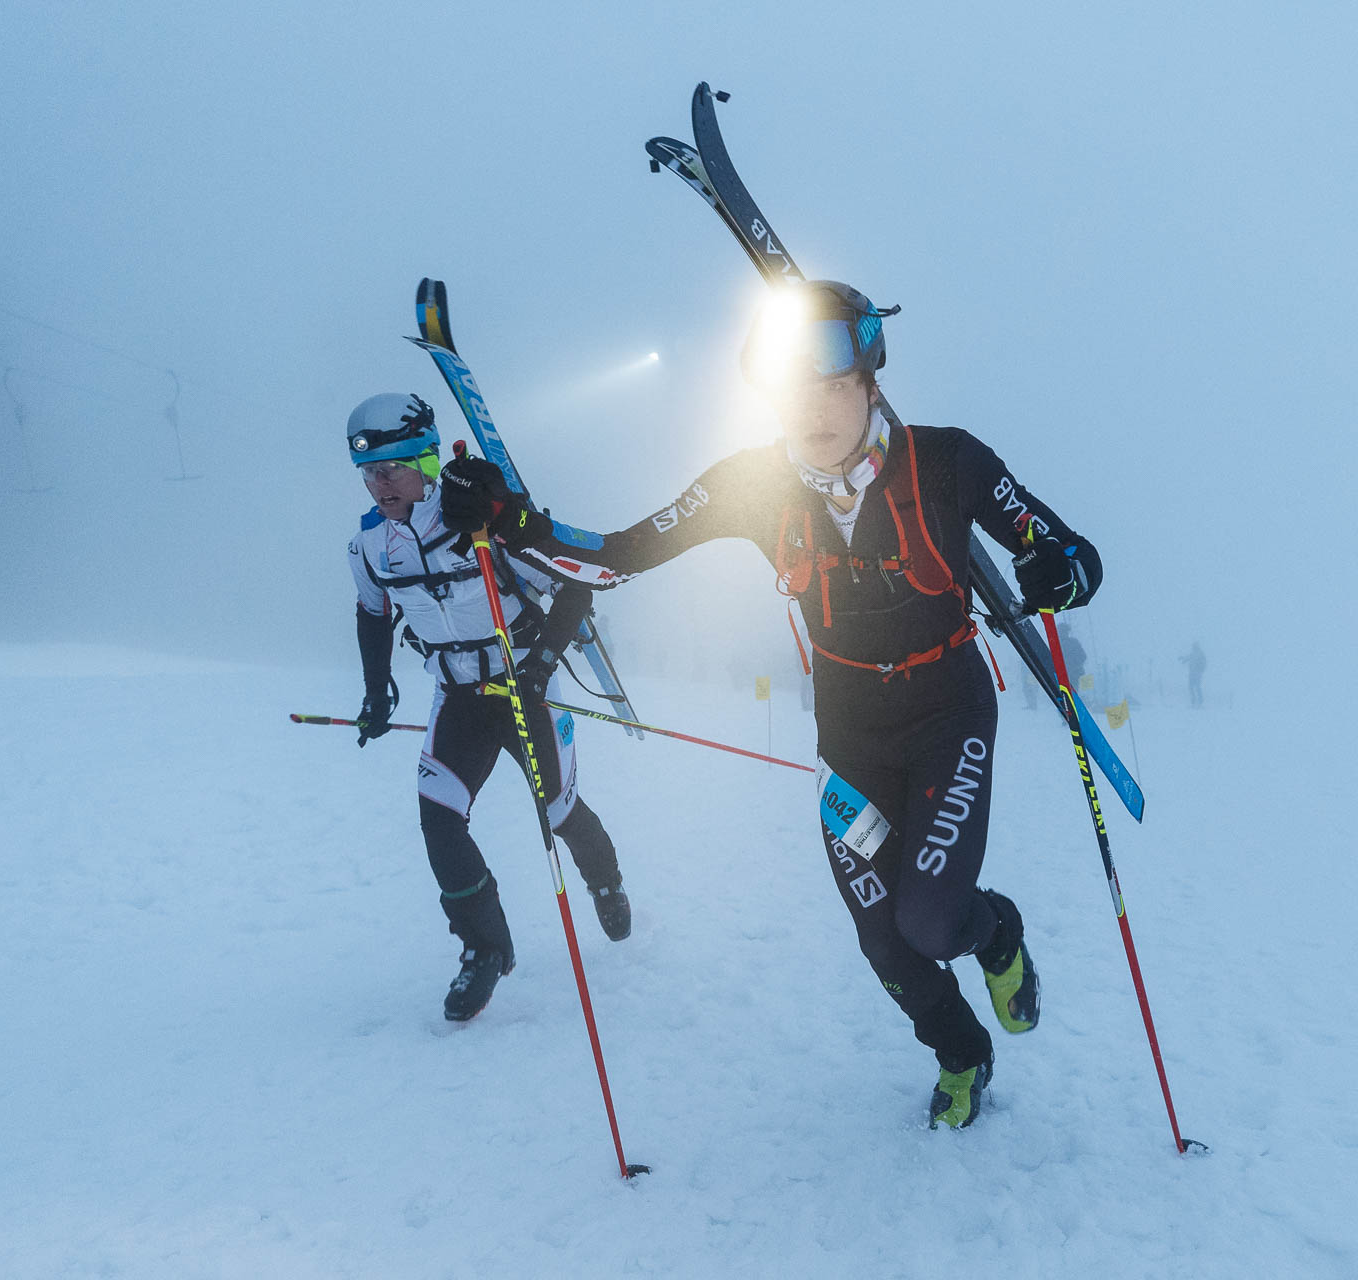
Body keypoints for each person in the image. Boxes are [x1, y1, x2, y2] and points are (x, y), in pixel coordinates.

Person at [440, 282, 1102, 1128]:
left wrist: (1062, 575)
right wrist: (513, 520)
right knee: (884, 937)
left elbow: (1069, 551)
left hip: (949, 717)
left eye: (834, 387)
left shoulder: (948, 462)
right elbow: (616, 556)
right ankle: (962, 1053)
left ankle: (997, 932)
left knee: (932, 917)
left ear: (870, 378)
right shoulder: (751, 485)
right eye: (795, 393)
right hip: (852, 740)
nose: (816, 413)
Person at [342, 392, 632, 1023]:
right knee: (439, 819)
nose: (378, 485)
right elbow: (372, 615)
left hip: (522, 687)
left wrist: (540, 665)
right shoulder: (370, 543)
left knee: (557, 811)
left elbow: (574, 591)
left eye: (390, 469)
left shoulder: (480, 517)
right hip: (457, 696)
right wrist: (376, 691)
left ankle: (604, 879)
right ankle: (485, 949)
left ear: (423, 462)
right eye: (368, 473)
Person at [1181, 641, 1207, 708]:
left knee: (1197, 687)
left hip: (1197, 674)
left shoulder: (1200, 653)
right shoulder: (1193, 653)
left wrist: (1201, 670)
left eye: (1194, 646)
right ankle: (1194, 700)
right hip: (1192, 673)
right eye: (1193, 646)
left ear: (1197, 647)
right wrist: (1183, 659)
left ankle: (1200, 701)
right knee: (1191, 687)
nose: (1193, 647)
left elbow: (1204, 663)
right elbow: (1188, 657)